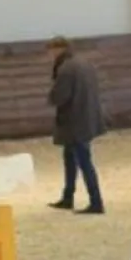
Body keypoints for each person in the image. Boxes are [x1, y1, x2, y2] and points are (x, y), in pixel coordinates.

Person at [45, 36, 107, 214]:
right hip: (85, 117)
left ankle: (96, 201)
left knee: (83, 161)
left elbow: (59, 96)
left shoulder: (66, 69)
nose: (49, 55)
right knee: (71, 159)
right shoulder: (84, 64)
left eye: (50, 51)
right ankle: (68, 196)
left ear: (58, 49)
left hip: (73, 121)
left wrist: (51, 97)